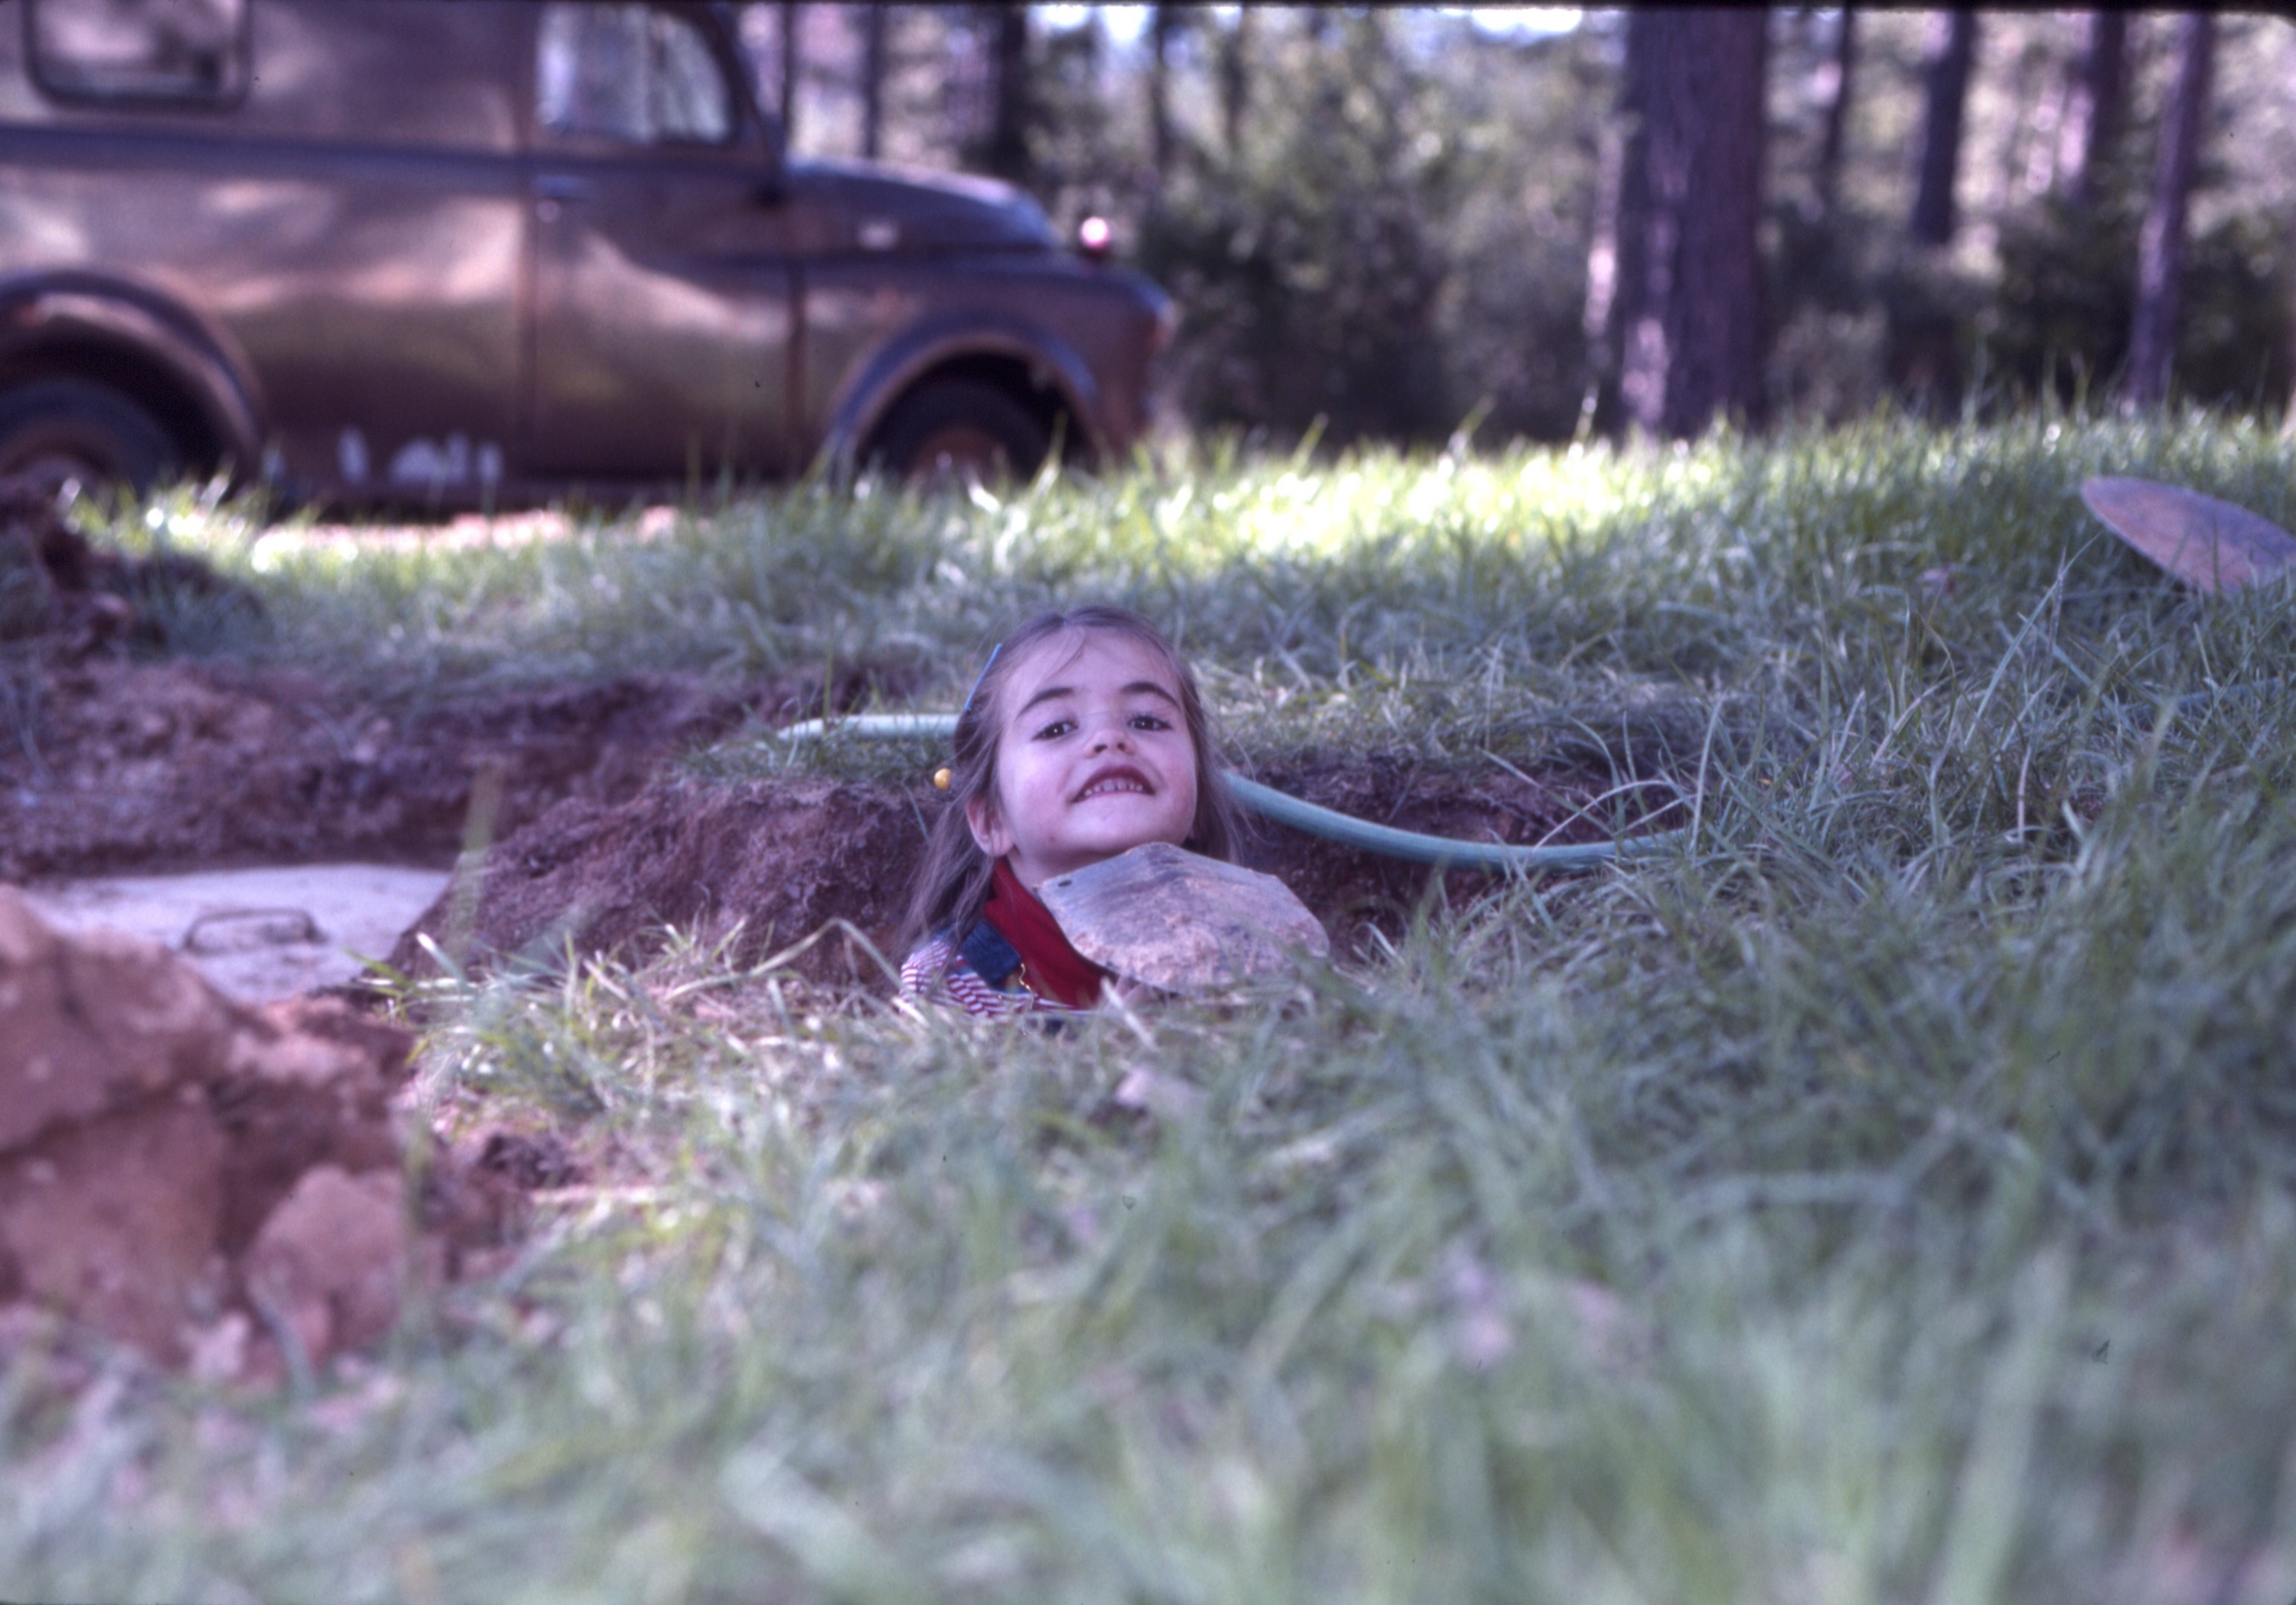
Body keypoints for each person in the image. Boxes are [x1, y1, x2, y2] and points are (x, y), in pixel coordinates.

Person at [901, 605, 1246, 1017]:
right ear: (992, 819)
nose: (1109, 738)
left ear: (1201, 804)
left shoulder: (1254, 957)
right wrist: (1112, 1042)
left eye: (1147, 721)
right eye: (1056, 728)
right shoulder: (948, 983)